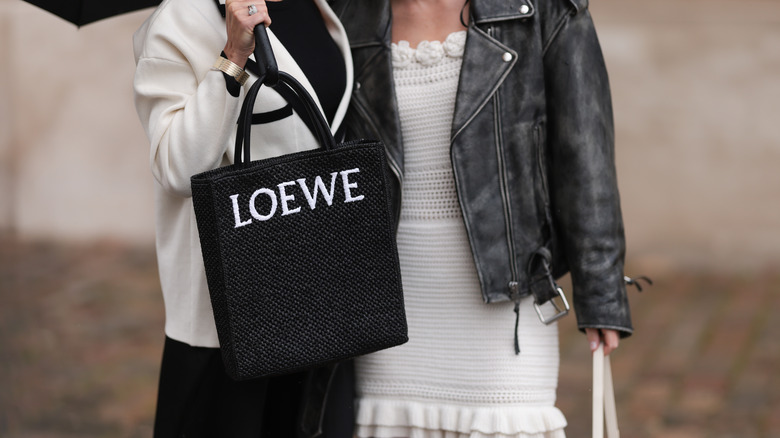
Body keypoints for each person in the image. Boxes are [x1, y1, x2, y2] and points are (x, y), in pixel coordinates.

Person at [330, 0, 633, 436]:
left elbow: (585, 153)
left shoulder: (540, 9)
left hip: (506, 301)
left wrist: (601, 292)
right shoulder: (343, 12)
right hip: (387, 314)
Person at [132, 0, 355, 436]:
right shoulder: (181, 19)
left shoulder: (320, 6)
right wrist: (233, 57)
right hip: (230, 327)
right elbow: (176, 166)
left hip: (325, 307)